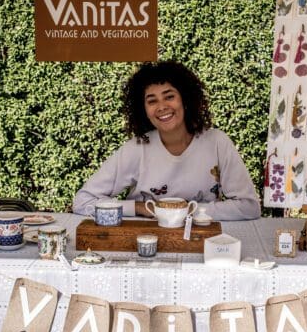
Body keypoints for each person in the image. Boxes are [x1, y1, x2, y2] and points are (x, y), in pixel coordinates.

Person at [73, 61, 261, 221]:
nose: (162, 107)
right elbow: (83, 202)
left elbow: (249, 207)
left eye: (169, 96)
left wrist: (187, 211)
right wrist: (140, 208)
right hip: (144, 239)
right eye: (152, 101)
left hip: (201, 240)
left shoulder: (217, 142)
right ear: (144, 109)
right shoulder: (137, 148)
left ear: (185, 99)